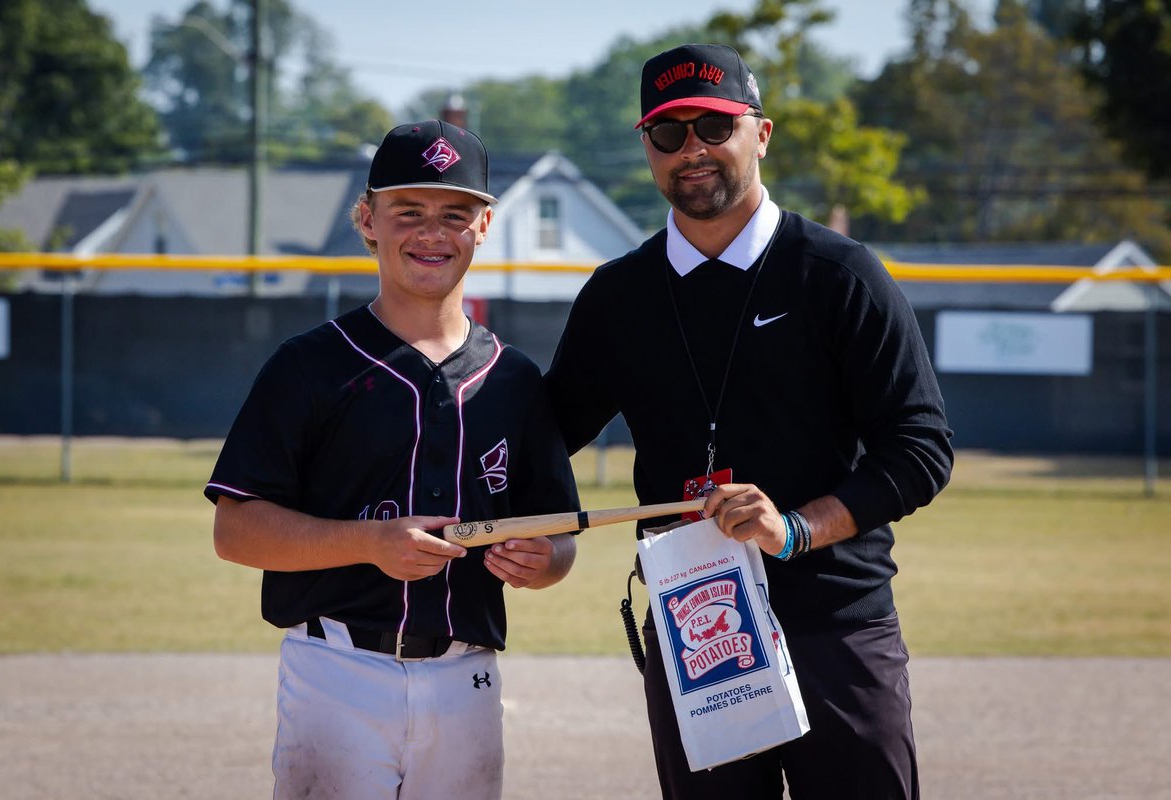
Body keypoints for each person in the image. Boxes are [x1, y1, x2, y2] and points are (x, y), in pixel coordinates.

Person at [545, 44, 953, 799]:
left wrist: (795, 529)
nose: (691, 149)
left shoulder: (838, 274)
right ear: (648, 149)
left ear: (759, 134)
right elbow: (543, 436)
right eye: (669, 133)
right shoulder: (618, 296)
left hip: (836, 623)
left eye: (714, 125)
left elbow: (920, 448)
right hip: (697, 629)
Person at [205, 119, 579, 800]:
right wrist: (370, 543)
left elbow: (555, 534)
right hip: (336, 671)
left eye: (455, 213)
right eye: (408, 211)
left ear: (485, 224)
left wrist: (545, 559)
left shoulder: (515, 379)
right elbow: (235, 531)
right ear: (367, 219)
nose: (432, 232)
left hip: (467, 679)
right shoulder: (309, 366)